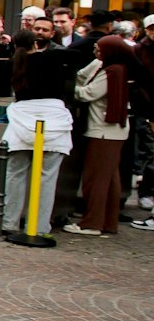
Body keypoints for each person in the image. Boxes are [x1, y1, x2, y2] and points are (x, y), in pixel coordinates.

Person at [3, 32, 75, 241]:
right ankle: (40, 225)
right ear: (36, 43)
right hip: (54, 119)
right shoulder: (51, 58)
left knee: (15, 174)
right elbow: (77, 54)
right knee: (47, 178)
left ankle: (10, 221)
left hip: (21, 120)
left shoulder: (13, 63)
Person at [65, 36, 134, 236]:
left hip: (103, 130)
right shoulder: (111, 66)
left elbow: (87, 93)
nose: (95, 52)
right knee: (110, 178)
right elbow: (83, 75)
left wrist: (69, 87)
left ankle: (92, 223)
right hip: (112, 130)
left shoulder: (112, 70)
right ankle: (108, 222)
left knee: (95, 179)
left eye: (98, 49)